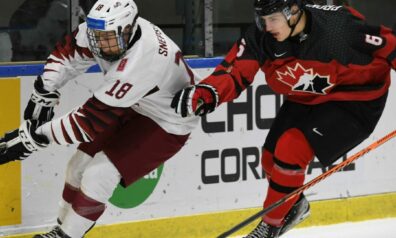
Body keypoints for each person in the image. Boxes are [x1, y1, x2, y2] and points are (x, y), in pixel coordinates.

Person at [171, 0, 396, 237]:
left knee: (291, 148)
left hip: (355, 101)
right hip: (306, 98)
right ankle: (295, 206)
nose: (266, 27)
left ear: (295, 12)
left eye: (273, 19)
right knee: (270, 160)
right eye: (262, 19)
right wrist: (207, 93)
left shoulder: (338, 29)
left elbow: (390, 44)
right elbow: (234, 70)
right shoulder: (262, 36)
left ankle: (269, 226)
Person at [0, 0, 200, 237]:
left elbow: (87, 123)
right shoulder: (107, 30)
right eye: (96, 36)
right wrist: (45, 90)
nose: (99, 44)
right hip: (137, 102)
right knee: (77, 167)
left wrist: (32, 138)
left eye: (106, 38)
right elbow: (68, 52)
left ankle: (67, 235)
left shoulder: (143, 61)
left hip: (169, 121)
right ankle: (60, 230)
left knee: (99, 174)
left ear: (128, 29)